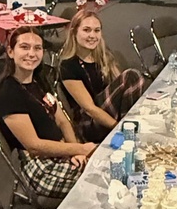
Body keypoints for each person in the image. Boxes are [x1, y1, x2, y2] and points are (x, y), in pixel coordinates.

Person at [0, 26, 96, 199]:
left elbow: (62, 121)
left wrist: (77, 152)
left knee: (105, 164)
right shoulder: (9, 92)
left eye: (37, 48)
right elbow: (34, 146)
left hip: (59, 149)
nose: (31, 54)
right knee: (99, 179)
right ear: (11, 52)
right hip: (40, 166)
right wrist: (80, 148)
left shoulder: (39, 81)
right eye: (24, 47)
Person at [59, 8, 150, 143]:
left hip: (109, 111)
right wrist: (119, 128)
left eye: (97, 30)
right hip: (88, 122)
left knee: (133, 80)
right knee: (131, 76)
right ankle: (130, 130)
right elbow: (89, 109)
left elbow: (120, 87)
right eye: (86, 30)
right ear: (74, 32)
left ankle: (132, 126)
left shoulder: (102, 55)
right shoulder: (68, 65)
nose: (92, 35)